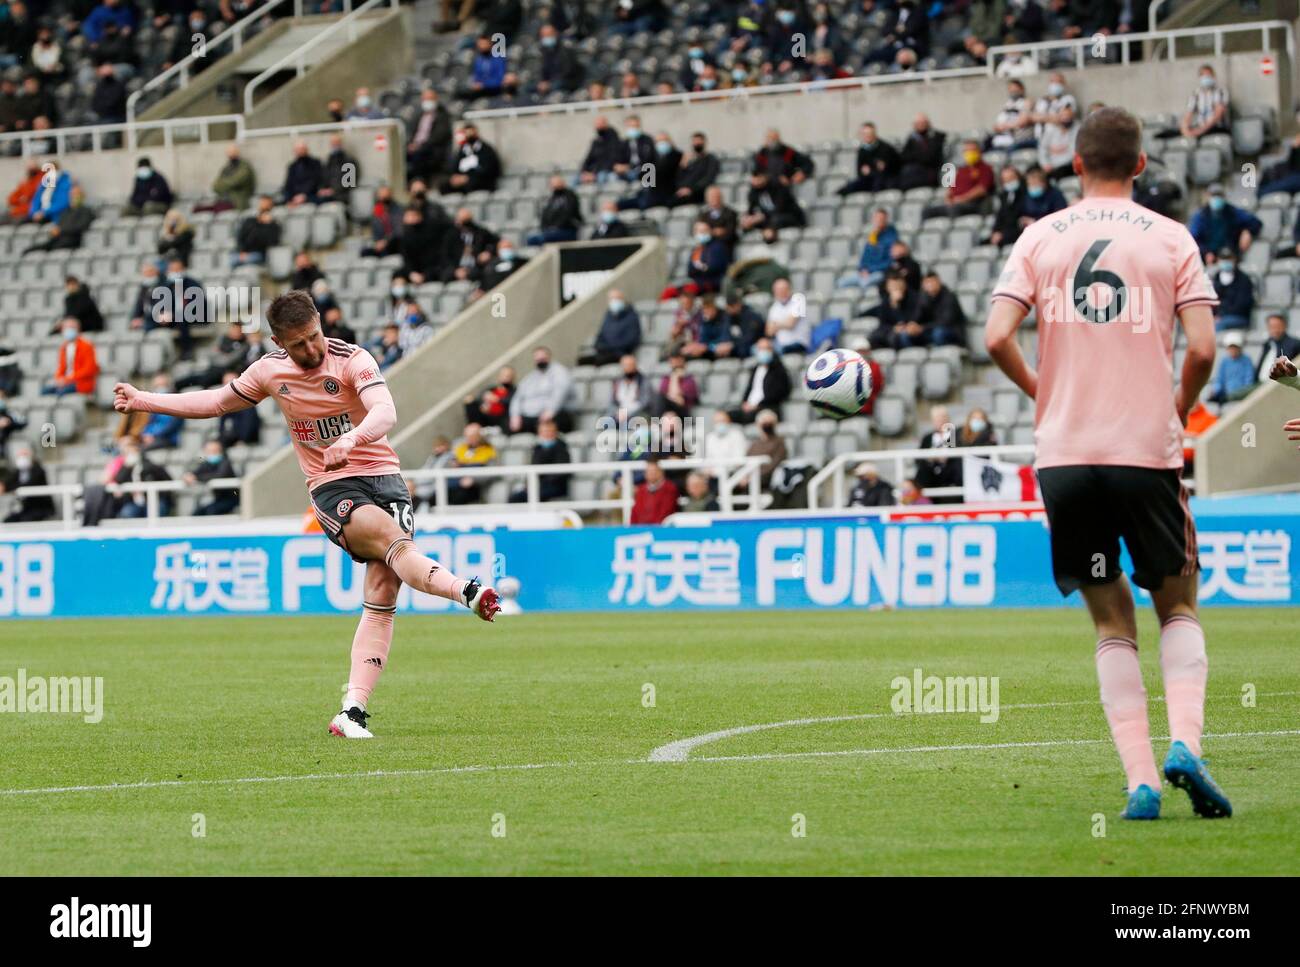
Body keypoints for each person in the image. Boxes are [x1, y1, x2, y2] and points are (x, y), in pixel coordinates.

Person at [985, 106, 1230, 821]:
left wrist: (1044, 390)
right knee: (1177, 602)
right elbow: (1205, 348)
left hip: (1065, 455)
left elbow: (997, 334)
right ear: (1142, 165)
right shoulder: (1170, 237)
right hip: (1142, 450)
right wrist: (1177, 406)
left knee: (1110, 622)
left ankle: (1141, 783)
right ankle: (1186, 742)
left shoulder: (1039, 235)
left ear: (1074, 164)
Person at [113, 290, 502, 738]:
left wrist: (351, 440)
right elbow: (218, 402)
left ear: (321, 324)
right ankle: (467, 591)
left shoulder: (353, 359)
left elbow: (385, 411)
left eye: (315, 336)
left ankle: (352, 710)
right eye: (298, 344)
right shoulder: (269, 371)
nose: (311, 349)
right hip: (332, 484)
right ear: (280, 342)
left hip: (384, 476)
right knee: (393, 543)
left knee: (383, 588)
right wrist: (145, 399)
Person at [509, 346, 573, 434]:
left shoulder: (560, 372)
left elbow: (560, 393)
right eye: (537, 359)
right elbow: (517, 398)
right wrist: (515, 416)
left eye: (543, 358)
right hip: (529, 417)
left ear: (549, 357)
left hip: (551, 415)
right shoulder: (530, 377)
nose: (540, 361)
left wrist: (551, 410)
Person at [923, 140, 994, 219]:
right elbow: (951, 188)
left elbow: (982, 189)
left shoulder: (985, 169)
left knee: (953, 209)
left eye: (972, 150)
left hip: (973, 203)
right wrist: (948, 199)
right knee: (927, 211)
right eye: (966, 151)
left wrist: (962, 199)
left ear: (979, 152)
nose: (969, 153)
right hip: (955, 203)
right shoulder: (962, 170)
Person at [1188, 185, 1261, 261]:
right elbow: (1193, 239)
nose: (1216, 198)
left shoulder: (1232, 212)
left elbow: (1255, 222)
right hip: (1208, 258)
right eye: (1213, 195)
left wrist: (1247, 231)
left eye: (1219, 195)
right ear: (1208, 197)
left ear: (1224, 197)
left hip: (1230, 256)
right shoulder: (1200, 216)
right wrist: (1205, 252)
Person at [732, 337, 790, 423]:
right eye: (760, 349)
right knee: (721, 415)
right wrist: (744, 403)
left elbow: (780, 392)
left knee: (763, 418)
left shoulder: (778, 369)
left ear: (772, 350)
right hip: (749, 407)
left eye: (766, 348)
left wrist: (757, 406)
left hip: (766, 408)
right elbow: (749, 388)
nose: (763, 352)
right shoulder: (755, 369)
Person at [838, 208, 898, 288]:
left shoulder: (891, 237)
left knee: (865, 283)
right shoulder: (873, 236)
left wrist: (869, 270)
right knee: (841, 282)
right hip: (866, 272)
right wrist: (862, 269)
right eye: (877, 218)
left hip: (880, 272)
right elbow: (865, 256)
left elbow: (889, 261)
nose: (878, 221)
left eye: (881, 219)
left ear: (886, 219)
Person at [580, 290, 641, 366]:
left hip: (620, 354)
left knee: (600, 360)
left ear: (622, 300)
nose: (613, 302)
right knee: (582, 361)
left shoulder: (631, 317)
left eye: (616, 299)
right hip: (605, 352)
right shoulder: (608, 316)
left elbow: (632, 340)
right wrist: (600, 347)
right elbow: (600, 337)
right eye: (611, 299)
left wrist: (612, 347)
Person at [837, 122, 899, 195]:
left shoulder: (885, 148)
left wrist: (872, 170)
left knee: (878, 183)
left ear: (874, 134)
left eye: (869, 134)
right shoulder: (862, 150)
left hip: (884, 180)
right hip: (868, 180)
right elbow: (861, 171)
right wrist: (871, 170)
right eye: (865, 134)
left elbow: (889, 168)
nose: (867, 136)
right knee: (850, 187)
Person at [43, 319, 98, 396]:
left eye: (72, 327)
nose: (69, 330)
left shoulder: (86, 346)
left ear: (78, 329)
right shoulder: (64, 348)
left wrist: (67, 379)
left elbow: (89, 369)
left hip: (81, 383)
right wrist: (59, 379)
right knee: (45, 391)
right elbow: (61, 368)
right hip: (66, 383)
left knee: (60, 393)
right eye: (67, 328)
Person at [1, 444, 55, 523]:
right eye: (20, 456)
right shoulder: (18, 472)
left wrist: (13, 489)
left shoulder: (38, 470)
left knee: (26, 519)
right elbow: (10, 482)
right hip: (27, 508)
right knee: (8, 520)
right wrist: (4, 486)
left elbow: (28, 484)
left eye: (24, 455)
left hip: (40, 508)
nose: (22, 459)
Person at [185, 439, 239, 515]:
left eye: (215, 451)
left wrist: (197, 478)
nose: (212, 454)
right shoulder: (207, 464)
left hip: (233, 499)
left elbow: (220, 475)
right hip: (219, 500)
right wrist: (188, 475)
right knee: (197, 513)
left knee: (212, 511)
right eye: (209, 451)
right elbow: (195, 473)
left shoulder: (225, 462)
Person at [527, 175, 582, 245]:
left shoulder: (570, 196)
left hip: (567, 230)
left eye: (557, 182)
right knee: (531, 239)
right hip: (551, 232)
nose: (555, 185)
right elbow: (545, 215)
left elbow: (568, 214)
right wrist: (546, 228)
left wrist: (555, 227)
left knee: (542, 238)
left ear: (563, 183)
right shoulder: (552, 198)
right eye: (553, 183)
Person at [1180, 65, 1230, 140]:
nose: (1206, 77)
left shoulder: (1221, 91)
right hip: (1199, 127)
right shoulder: (1195, 94)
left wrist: (1201, 130)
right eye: (1203, 75)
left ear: (1213, 76)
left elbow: (1217, 115)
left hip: (1217, 128)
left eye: (1208, 75)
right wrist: (1185, 130)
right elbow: (1188, 114)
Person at [1209, 248, 1253, 332]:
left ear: (1234, 260)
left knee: (1218, 325)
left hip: (1238, 316)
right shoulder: (1216, 278)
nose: (1225, 262)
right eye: (1223, 259)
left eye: (1228, 259)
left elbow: (1242, 304)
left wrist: (1221, 315)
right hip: (1219, 317)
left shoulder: (1243, 279)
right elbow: (1212, 300)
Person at [1207, 330, 1255, 404]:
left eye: (1235, 347)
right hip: (1227, 396)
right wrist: (1216, 391)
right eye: (1231, 348)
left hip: (1242, 397)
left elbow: (1249, 380)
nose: (1233, 350)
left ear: (1240, 348)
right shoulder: (1224, 361)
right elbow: (1220, 379)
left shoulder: (1247, 360)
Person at [765, 278, 810, 355]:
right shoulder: (774, 307)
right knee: (760, 349)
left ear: (789, 289)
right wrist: (781, 324)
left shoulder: (798, 301)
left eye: (783, 289)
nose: (780, 292)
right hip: (780, 344)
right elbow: (769, 331)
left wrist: (775, 324)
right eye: (778, 290)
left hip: (798, 344)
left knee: (773, 353)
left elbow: (790, 324)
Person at [630, 457, 680, 524]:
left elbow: (666, 512)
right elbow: (635, 513)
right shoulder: (641, 490)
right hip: (641, 530)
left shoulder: (670, 489)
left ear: (661, 472)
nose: (652, 474)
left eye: (654, 471)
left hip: (661, 530)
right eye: (649, 471)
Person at [1256, 314, 1300, 382]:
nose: (1275, 330)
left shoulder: (1294, 344)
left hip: (1276, 383)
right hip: (1259, 382)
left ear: (1284, 326)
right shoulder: (1268, 344)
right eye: (1271, 327)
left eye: (1277, 326)